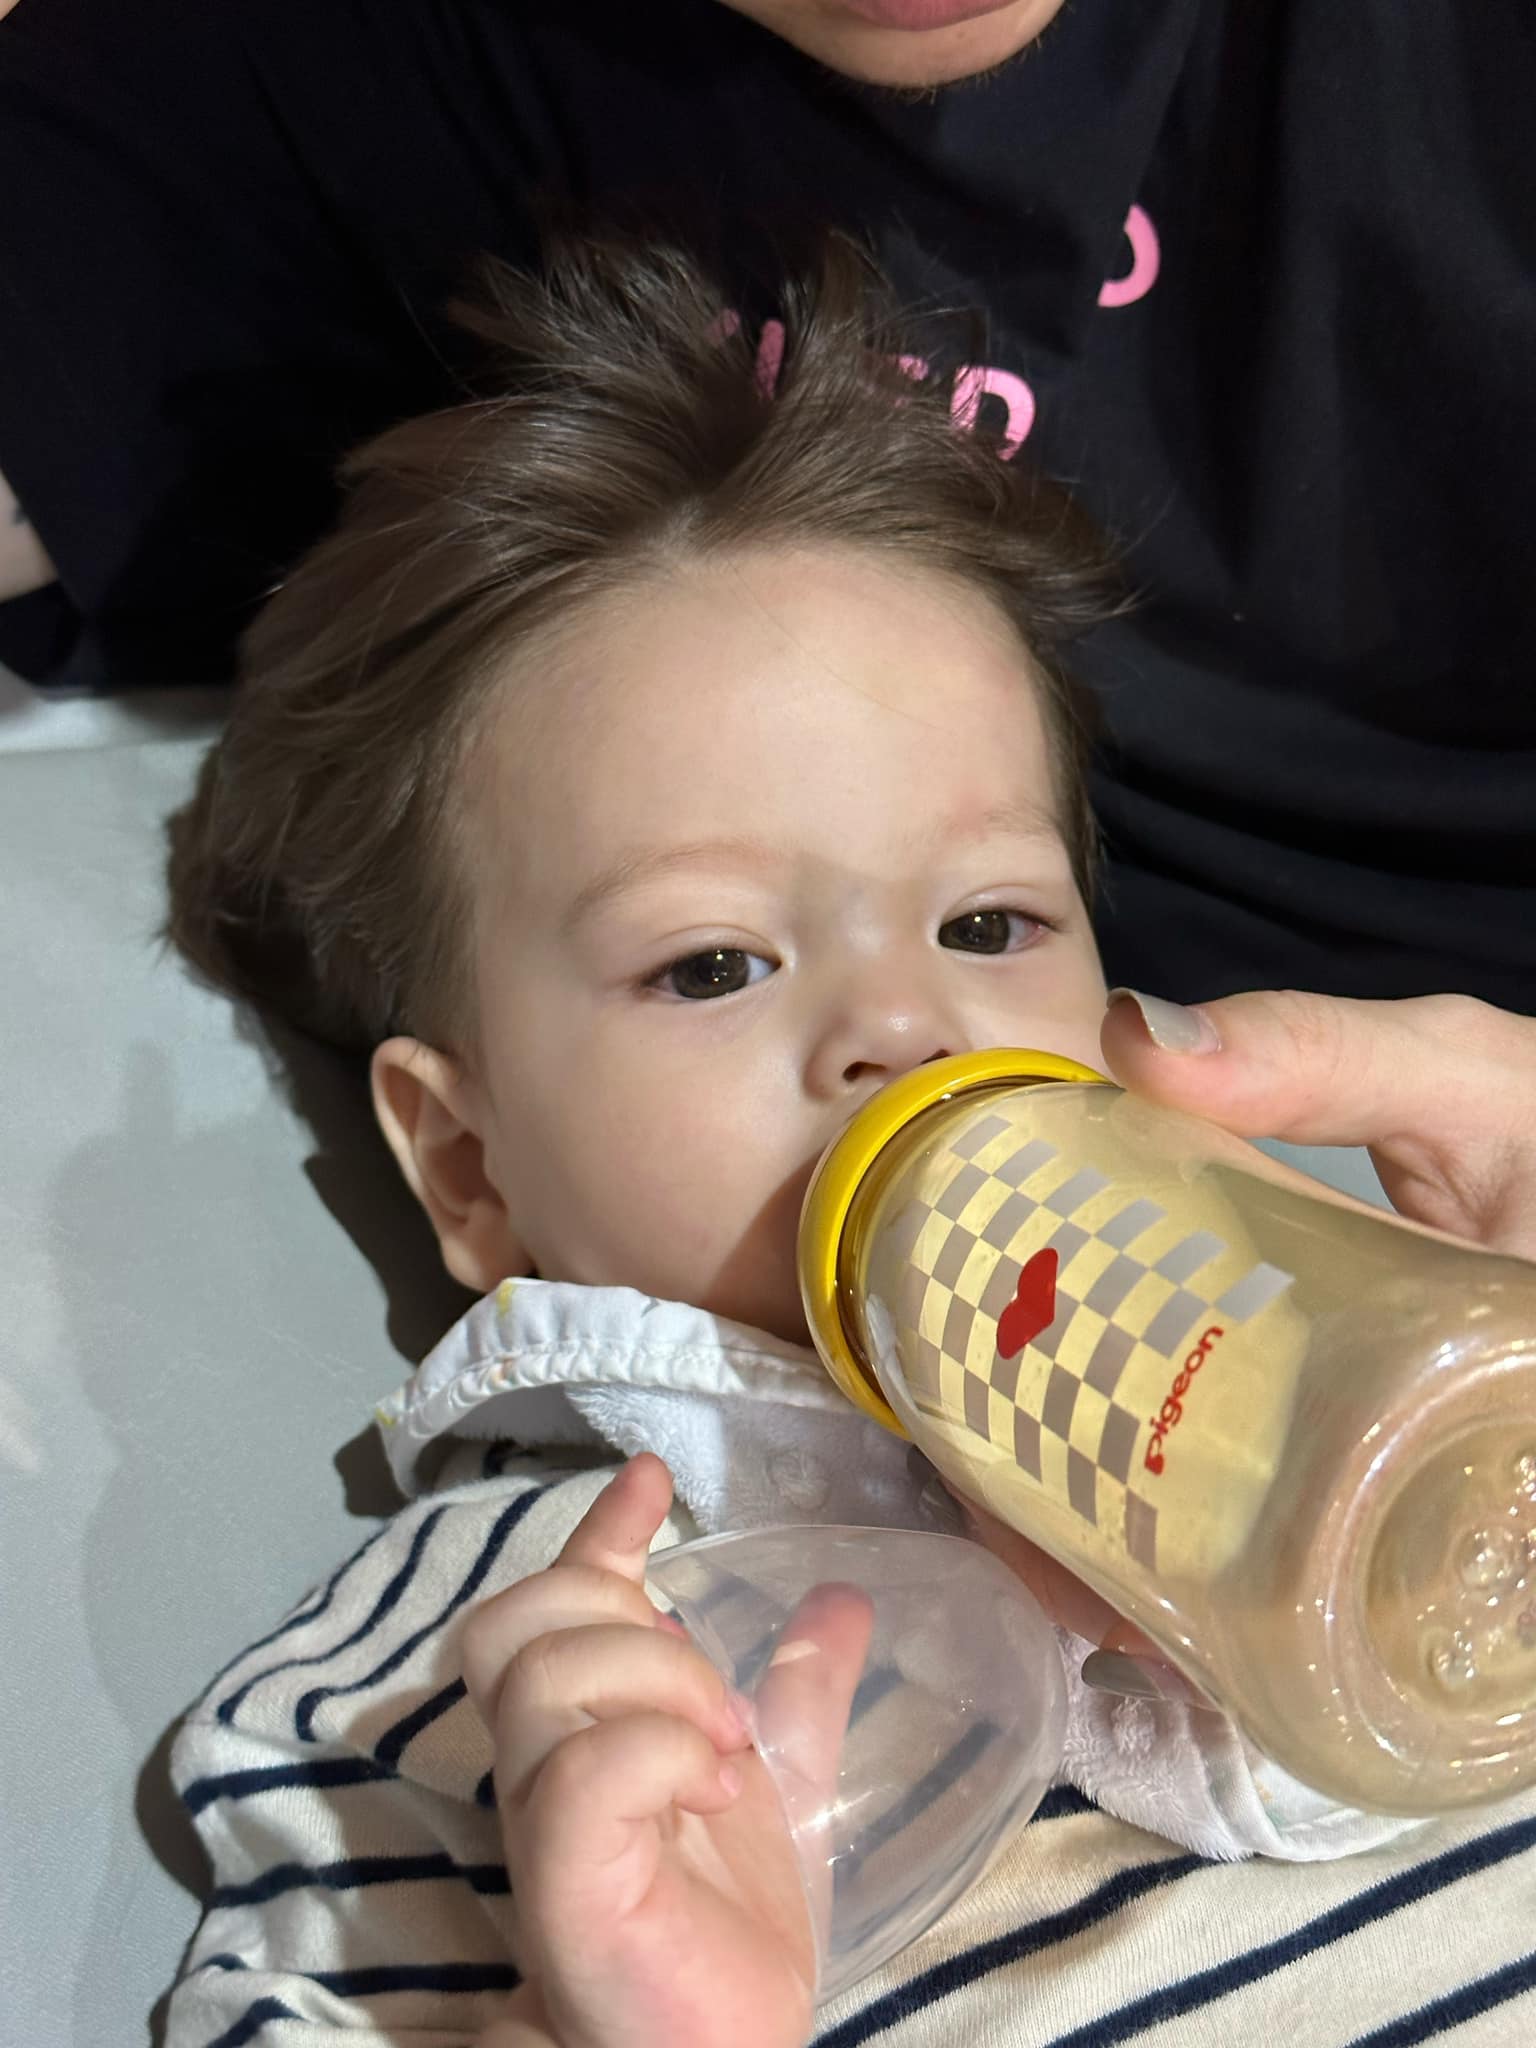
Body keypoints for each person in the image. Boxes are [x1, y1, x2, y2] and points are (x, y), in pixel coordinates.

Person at [158, 232, 1536, 2048]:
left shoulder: (1402, 1363)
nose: (905, 1022)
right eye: (713, 962)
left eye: (989, 922)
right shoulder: (505, 1653)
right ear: (471, 1168)